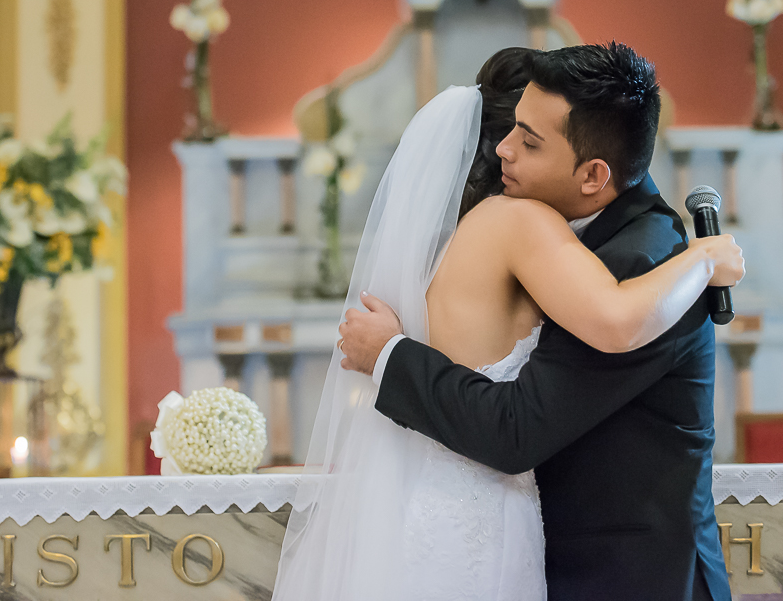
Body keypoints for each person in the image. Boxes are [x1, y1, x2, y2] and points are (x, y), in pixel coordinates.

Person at [276, 45, 743, 601]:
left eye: (530, 140)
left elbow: (518, 428)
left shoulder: (645, 260)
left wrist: (389, 356)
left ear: (594, 174)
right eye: (512, 128)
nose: (505, 149)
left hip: (635, 576)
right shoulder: (533, 231)